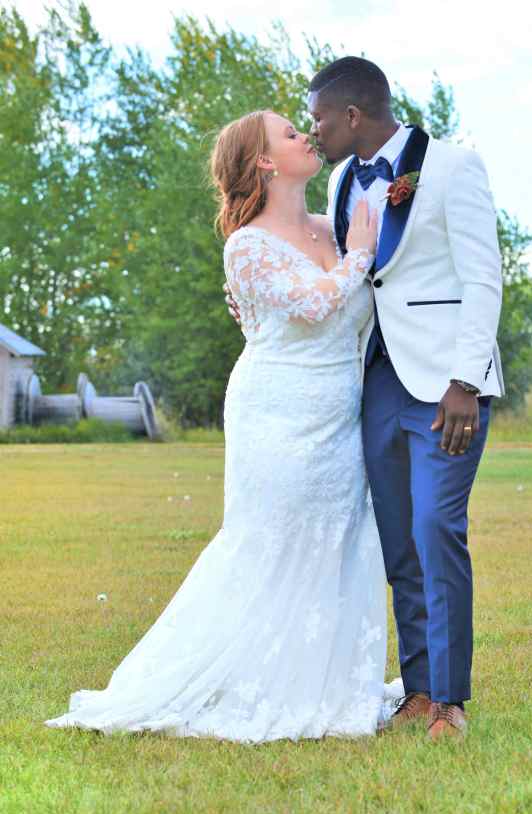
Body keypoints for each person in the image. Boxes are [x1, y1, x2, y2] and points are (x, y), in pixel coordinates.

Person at [44, 110, 395, 743]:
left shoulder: (335, 228)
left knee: (336, 540)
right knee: (271, 541)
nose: (306, 138)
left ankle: (323, 679)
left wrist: (362, 249)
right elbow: (316, 305)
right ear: (264, 161)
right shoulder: (248, 245)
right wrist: (363, 255)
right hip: (277, 415)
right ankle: (243, 680)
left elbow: (363, 306)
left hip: (340, 415)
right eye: (289, 134)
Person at [226, 57, 504, 740]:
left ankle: (450, 702)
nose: (313, 132)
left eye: (316, 118)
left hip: (447, 387)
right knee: (398, 540)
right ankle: (416, 688)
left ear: (351, 115)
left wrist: (465, 381)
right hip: (375, 381)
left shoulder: (452, 166)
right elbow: (333, 271)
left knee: (438, 528)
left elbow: (483, 278)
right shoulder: (348, 179)